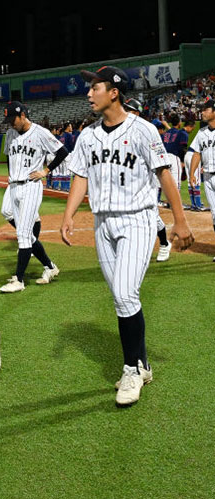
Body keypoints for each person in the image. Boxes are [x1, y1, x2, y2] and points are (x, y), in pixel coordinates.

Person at [61, 65, 193, 407]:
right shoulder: (89, 136)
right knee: (124, 299)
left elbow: (164, 174)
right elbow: (80, 176)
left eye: (96, 87)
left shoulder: (142, 130)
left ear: (114, 91)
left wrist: (180, 221)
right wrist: (68, 215)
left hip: (137, 220)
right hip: (103, 225)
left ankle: (132, 368)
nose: (89, 93)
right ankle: (143, 363)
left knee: (123, 293)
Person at [0, 101, 67, 293]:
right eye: (8, 120)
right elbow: (9, 159)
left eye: (13, 119)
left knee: (23, 236)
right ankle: (50, 267)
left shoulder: (40, 132)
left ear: (23, 115)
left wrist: (46, 171)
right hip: (14, 185)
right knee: (11, 217)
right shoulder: (10, 133)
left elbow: (62, 152)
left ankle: (19, 280)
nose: (11, 123)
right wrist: (11, 177)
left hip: (31, 186)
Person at [126, 99, 172, 261]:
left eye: (129, 110)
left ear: (137, 113)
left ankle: (165, 243)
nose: (125, 113)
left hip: (146, 179)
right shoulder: (121, 130)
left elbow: (159, 162)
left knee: (151, 214)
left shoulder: (147, 130)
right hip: (128, 181)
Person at [188, 98, 215, 258]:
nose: (202, 112)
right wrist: (192, 173)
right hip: (208, 178)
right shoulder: (202, 132)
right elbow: (196, 152)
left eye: (205, 109)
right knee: (214, 214)